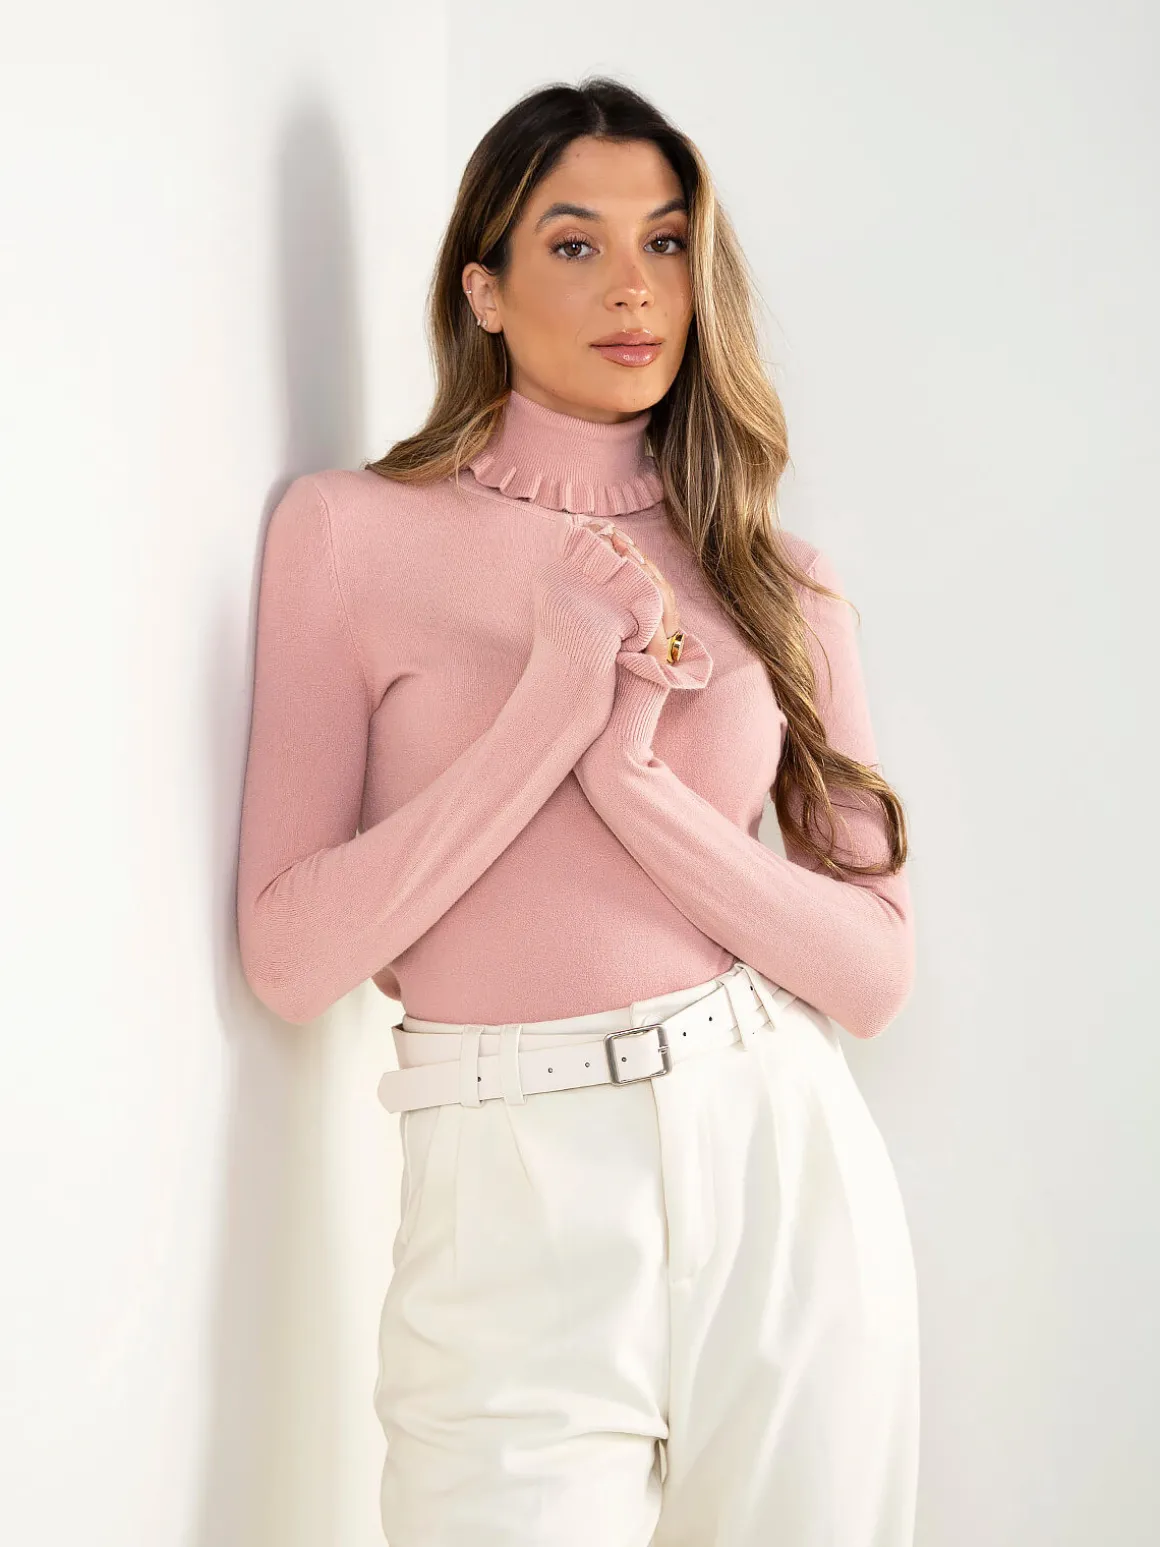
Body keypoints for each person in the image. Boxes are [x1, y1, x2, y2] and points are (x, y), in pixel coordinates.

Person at [236, 74, 920, 1547]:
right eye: (574, 243)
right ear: (481, 287)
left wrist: (632, 783)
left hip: (773, 1151)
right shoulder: (350, 535)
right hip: (506, 1178)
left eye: (667, 241)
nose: (634, 286)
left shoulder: (777, 577)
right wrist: (552, 707)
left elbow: (872, 971)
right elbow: (290, 956)